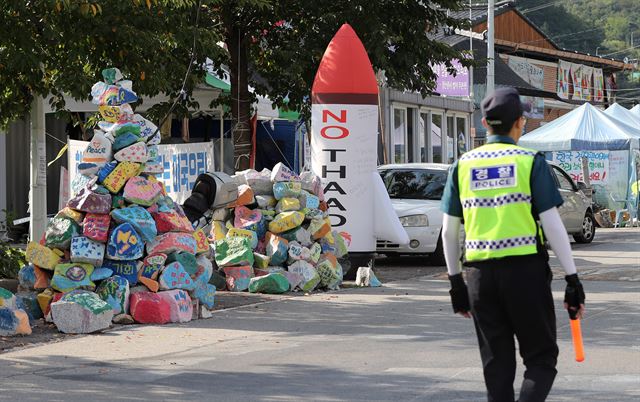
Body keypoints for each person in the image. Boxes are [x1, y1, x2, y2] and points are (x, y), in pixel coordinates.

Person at [440, 87, 586, 402]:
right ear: (520, 122)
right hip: (525, 273)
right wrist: (572, 279)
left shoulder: (462, 166)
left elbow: (449, 232)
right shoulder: (529, 162)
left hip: (479, 277)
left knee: (497, 368)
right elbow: (552, 224)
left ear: (483, 122)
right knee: (540, 358)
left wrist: (455, 283)